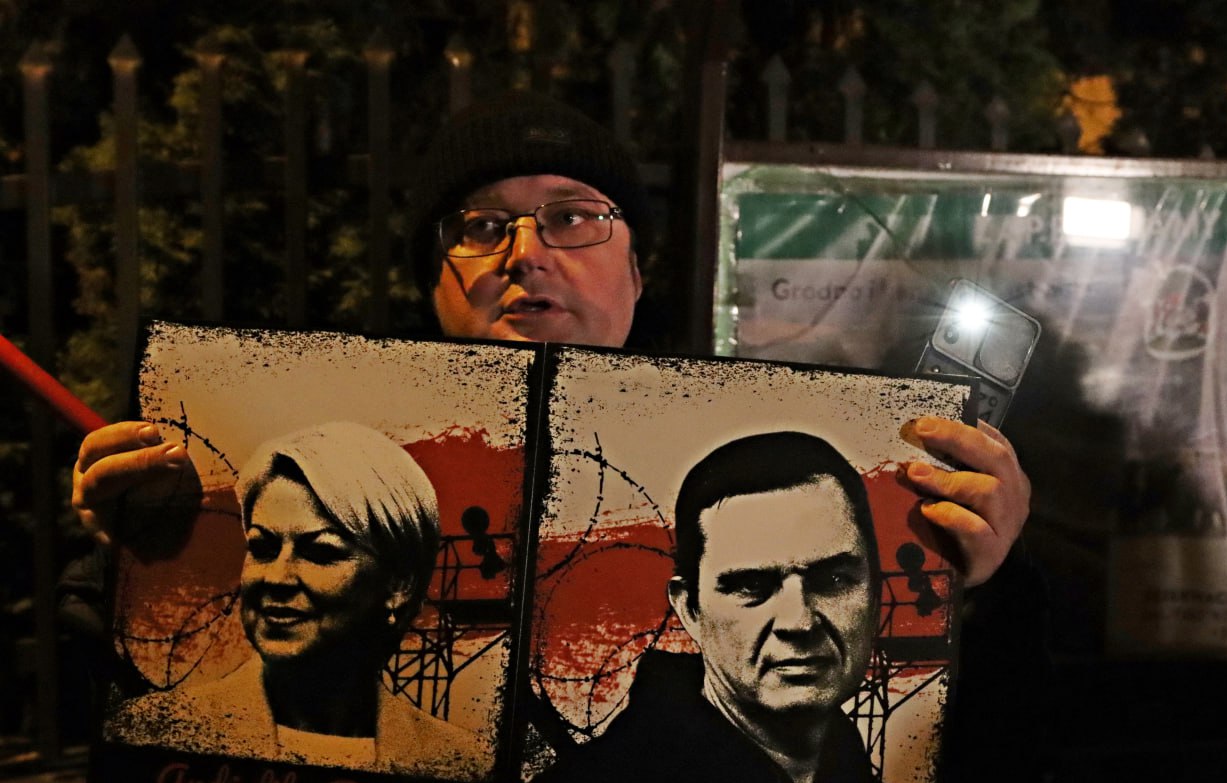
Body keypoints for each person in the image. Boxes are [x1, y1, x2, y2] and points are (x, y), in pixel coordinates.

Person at [71, 92, 1029, 590]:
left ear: (638, 272)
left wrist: (976, 572)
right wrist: (145, 551)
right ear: (431, 282)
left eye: (572, 217)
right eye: (482, 225)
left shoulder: (764, 455)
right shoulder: (307, 448)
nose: (525, 253)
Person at [531, 431, 901, 783]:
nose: (799, 622)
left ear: (875, 593)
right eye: (751, 586)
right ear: (689, 609)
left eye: (834, 580)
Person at [105, 421, 490, 780]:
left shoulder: (463, 766)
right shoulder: (152, 733)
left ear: (398, 587)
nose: (277, 578)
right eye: (262, 548)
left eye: (320, 552)